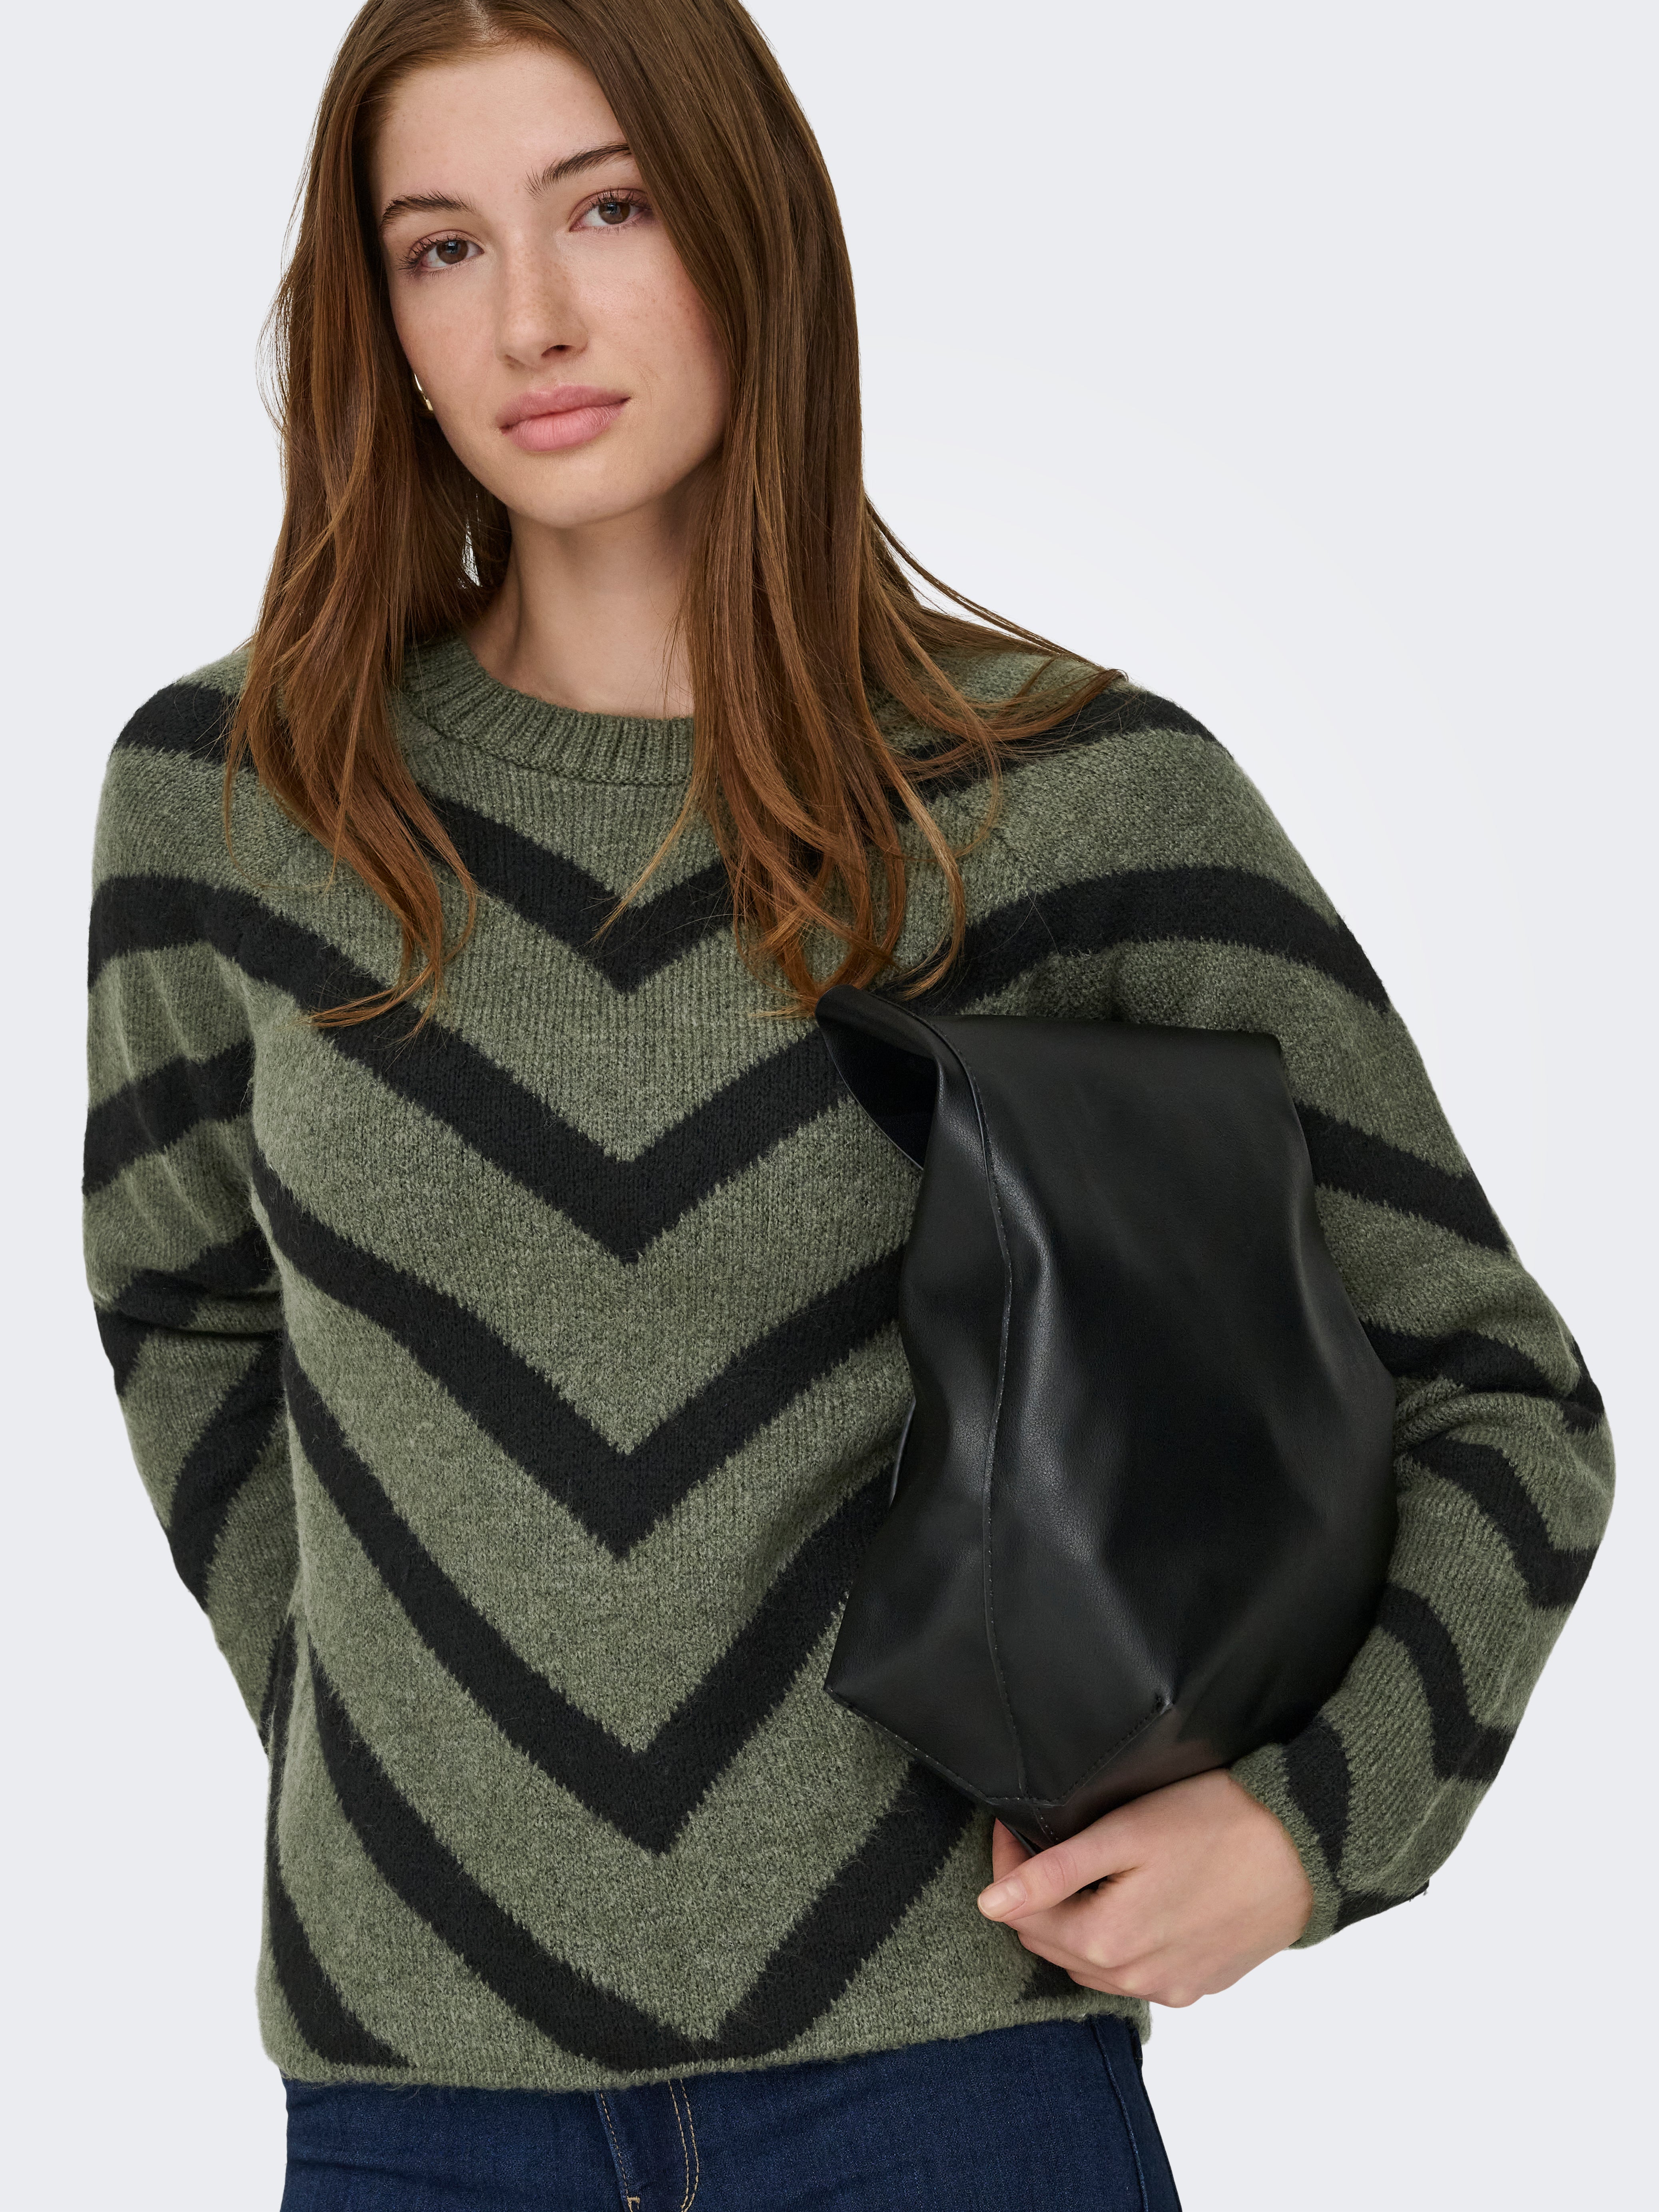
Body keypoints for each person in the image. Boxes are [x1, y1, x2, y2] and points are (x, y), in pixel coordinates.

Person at [82, 2, 1613, 2206]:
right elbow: (186, 1303)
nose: (529, 319)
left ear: (752, 228)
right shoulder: (236, 800)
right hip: (411, 2108)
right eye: (440, 246)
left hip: (951, 2084)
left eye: (608, 208)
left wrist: (1311, 1831)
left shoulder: (1061, 797)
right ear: (375, 315)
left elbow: (1494, 1390)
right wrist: (374, 1738)